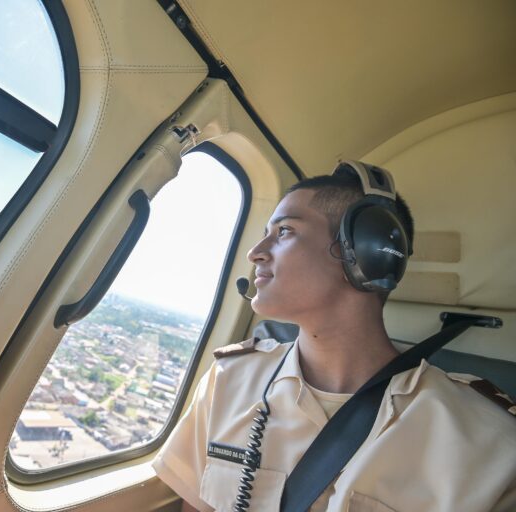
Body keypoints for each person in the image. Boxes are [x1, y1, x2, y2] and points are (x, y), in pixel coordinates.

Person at [152, 163, 516, 511]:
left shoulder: (485, 442)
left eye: (284, 232)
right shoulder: (228, 382)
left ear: (364, 252)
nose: (255, 253)